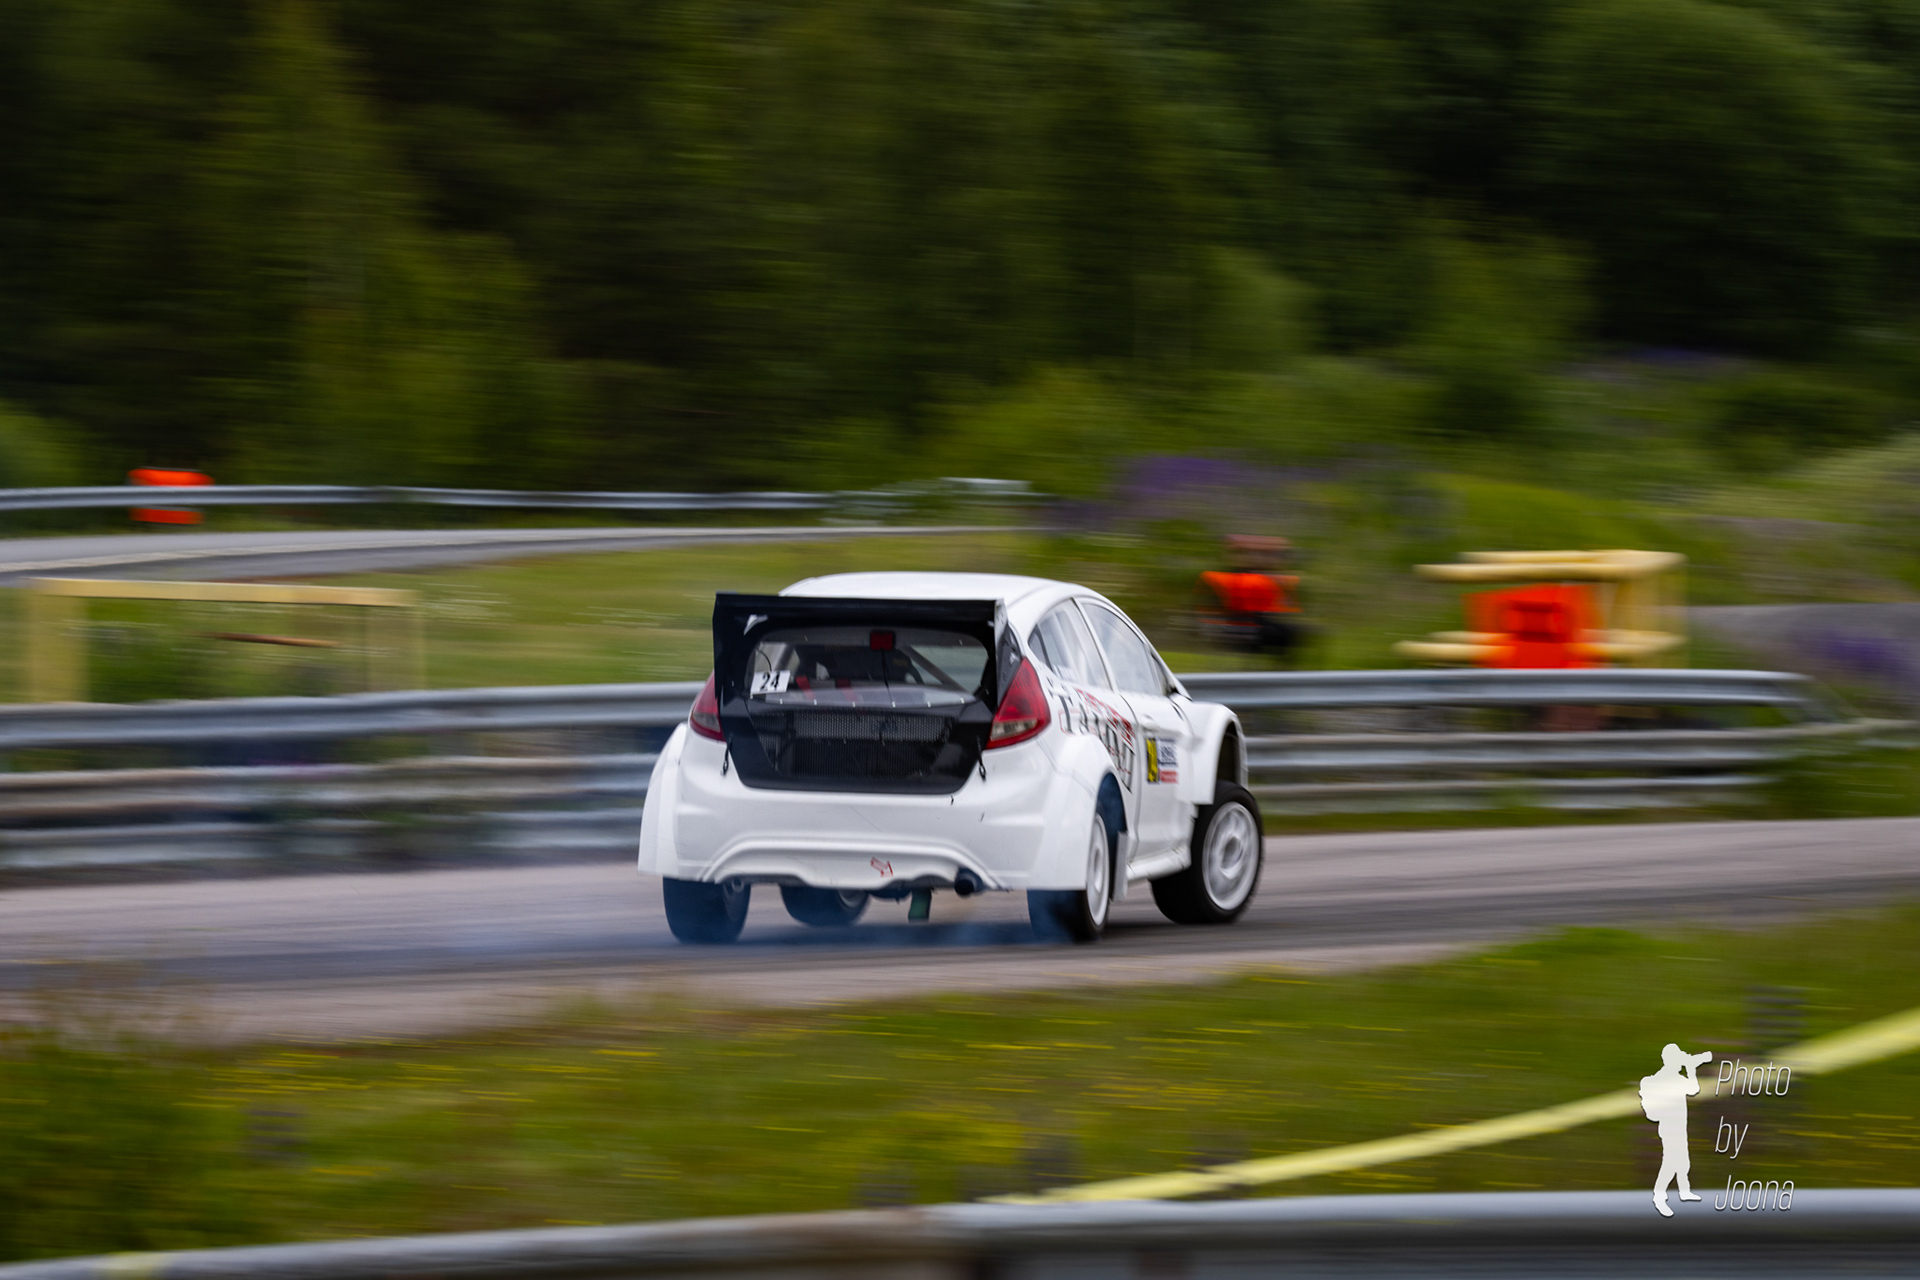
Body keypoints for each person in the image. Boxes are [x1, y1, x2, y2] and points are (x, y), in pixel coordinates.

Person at [1197, 535, 1305, 664]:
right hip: (1241, 626)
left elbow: (1279, 607)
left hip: (1252, 624)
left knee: (1289, 631)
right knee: (1283, 633)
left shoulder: (1266, 579)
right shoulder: (1231, 579)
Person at [1640, 1042, 1714, 1216]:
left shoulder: (1671, 1077)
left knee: (1683, 1160)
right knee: (1671, 1162)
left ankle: (1684, 1191)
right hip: (1670, 1127)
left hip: (1678, 1126)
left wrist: (1690, 1066)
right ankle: (1659, 1197)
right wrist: (1691, 1069)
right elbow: (1694, 1089)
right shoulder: (1672, 1079)